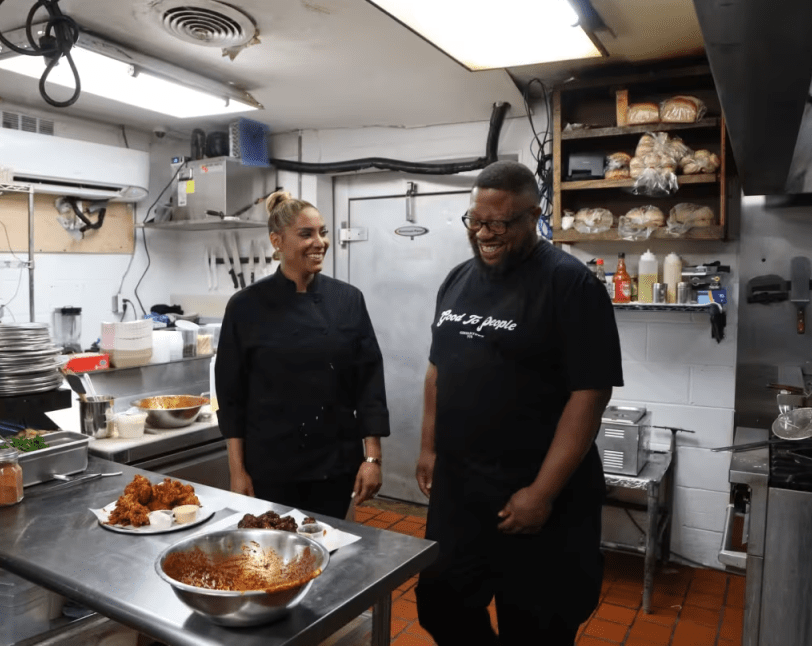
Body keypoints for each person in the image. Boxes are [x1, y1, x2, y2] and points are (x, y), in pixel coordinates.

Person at [414, 161, 623, 645]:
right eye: (475, 221)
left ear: (533, 217)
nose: (484, 234)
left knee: (535, 628)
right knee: (440, 604)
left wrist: (542, 493)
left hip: (537, 494)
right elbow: (437, 370)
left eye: (499, 223)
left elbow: (590, 394)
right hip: (462, 494)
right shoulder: (457, 279)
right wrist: (428, 446)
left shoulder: (570, 285)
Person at [215, 191, 390, 519]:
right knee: (271, 547)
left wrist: (372, 457)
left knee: (331, 543)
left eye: (323, 232)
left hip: (335, 464)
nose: (319, 242)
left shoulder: (347, 299)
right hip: (271, 466)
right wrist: (237, 471)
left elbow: (369, 382)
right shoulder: (245, 306)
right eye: (306, 234)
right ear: (277, 241)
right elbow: (230, 397)